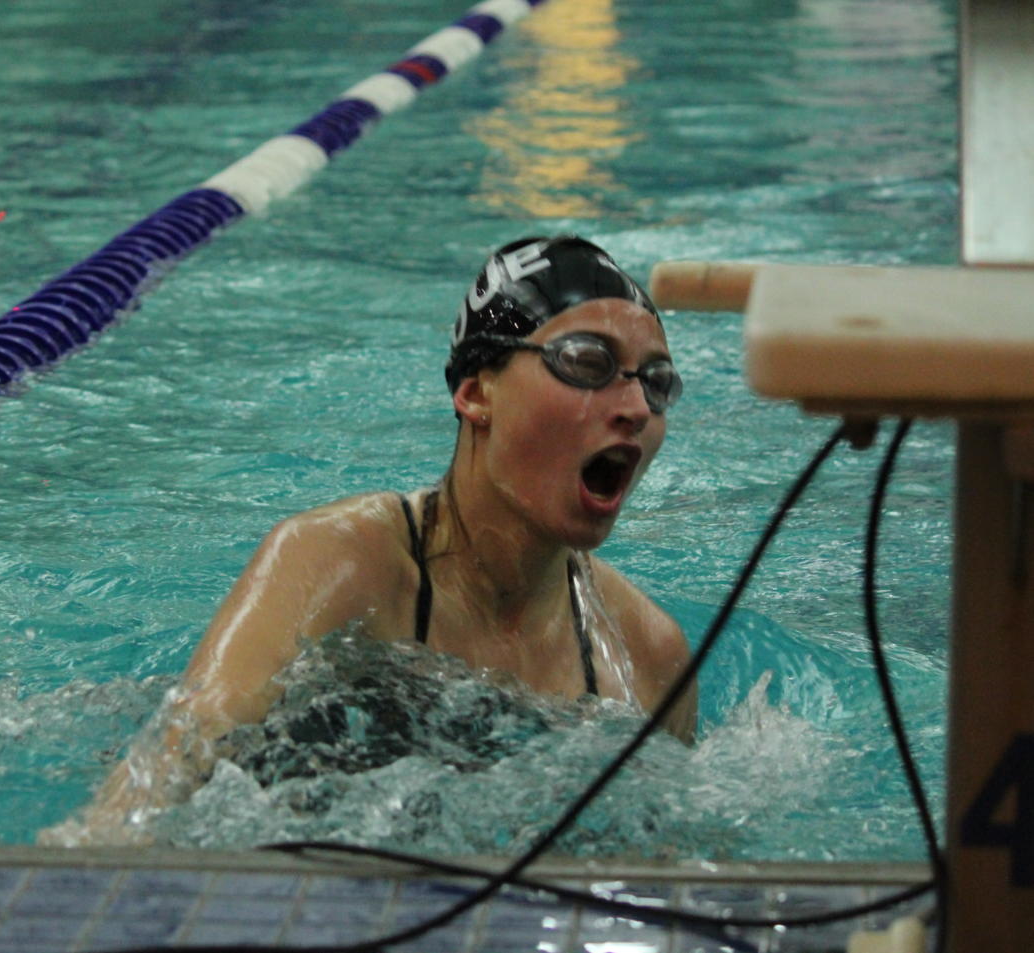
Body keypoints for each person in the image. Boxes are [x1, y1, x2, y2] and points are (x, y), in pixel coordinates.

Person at [44, 235, 696, 845]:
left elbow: (677, 869)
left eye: (656, 381)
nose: (637, 407)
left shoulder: (649, 655)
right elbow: (168, 770)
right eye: (588, 363)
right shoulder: (338, 560)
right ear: (475, 392)